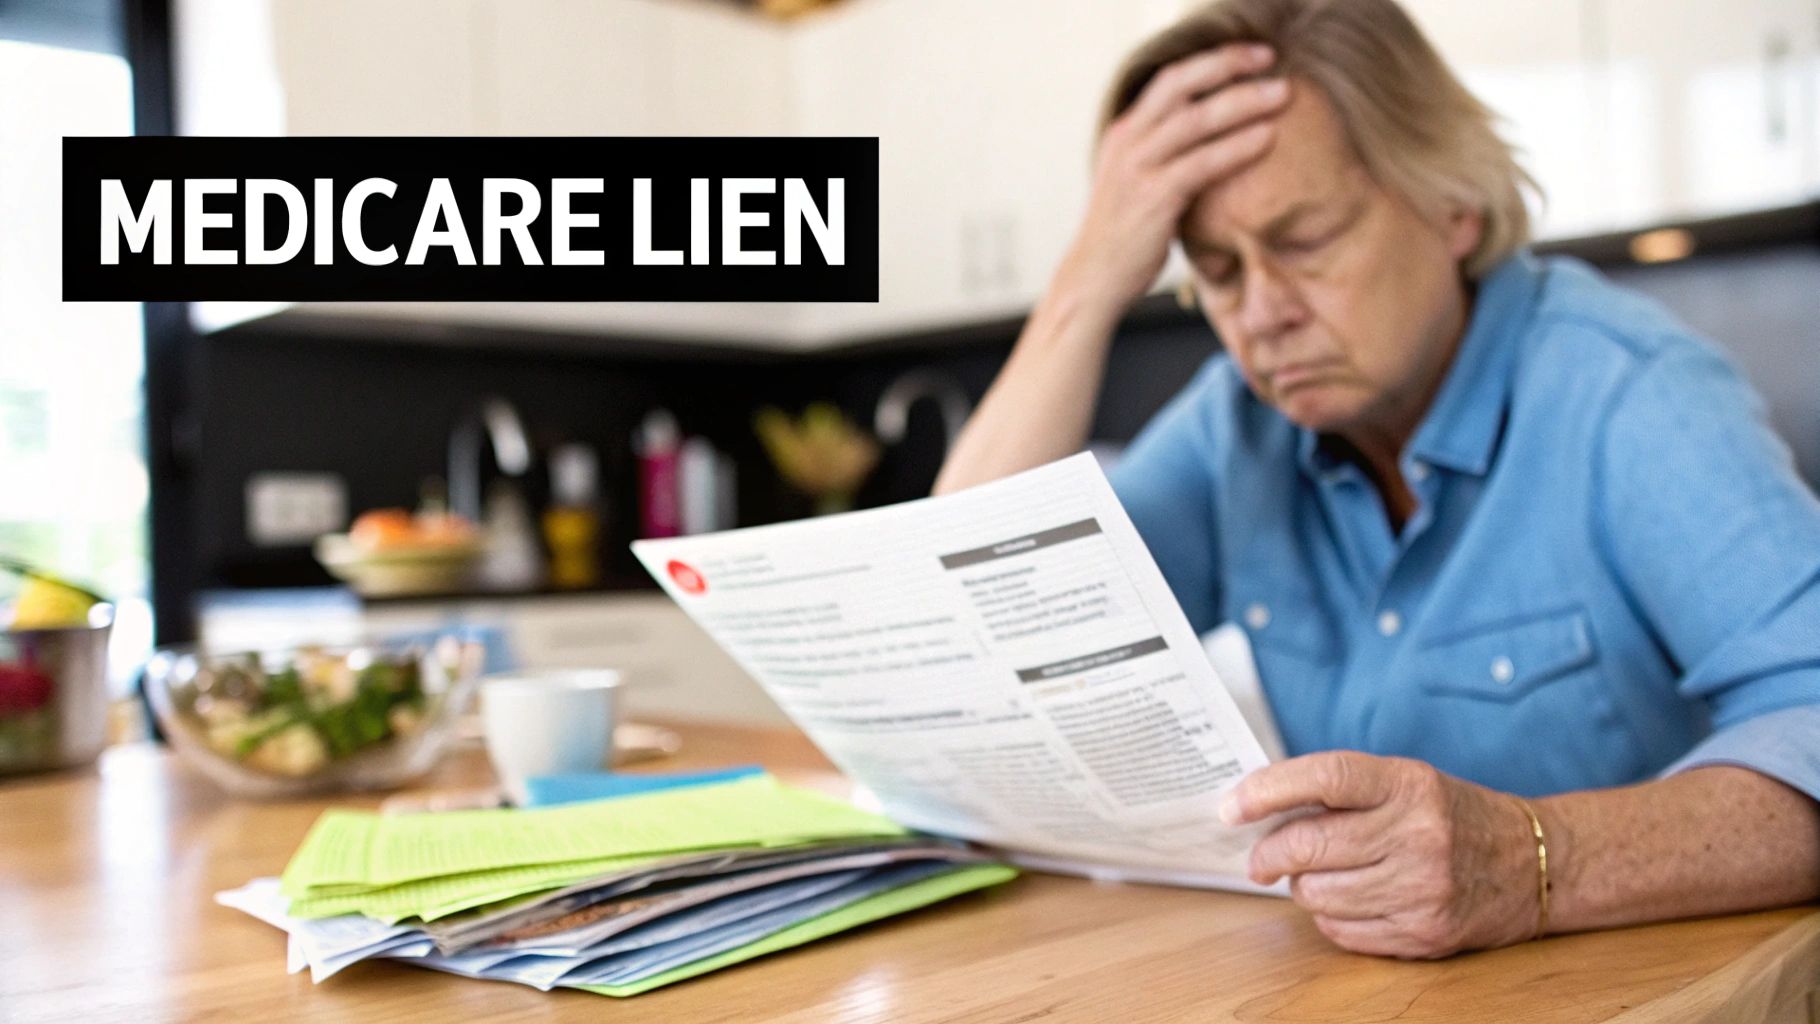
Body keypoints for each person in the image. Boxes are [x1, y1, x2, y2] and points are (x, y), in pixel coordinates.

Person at [935, 0, 1820, 958]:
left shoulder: (1628, 394)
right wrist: (1086, 284)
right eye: (1219, 271)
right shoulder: (1237, 422)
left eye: (1307, 240)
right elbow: (967, 639)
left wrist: (1533, 861)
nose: (1262, 313)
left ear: (1453, 205)